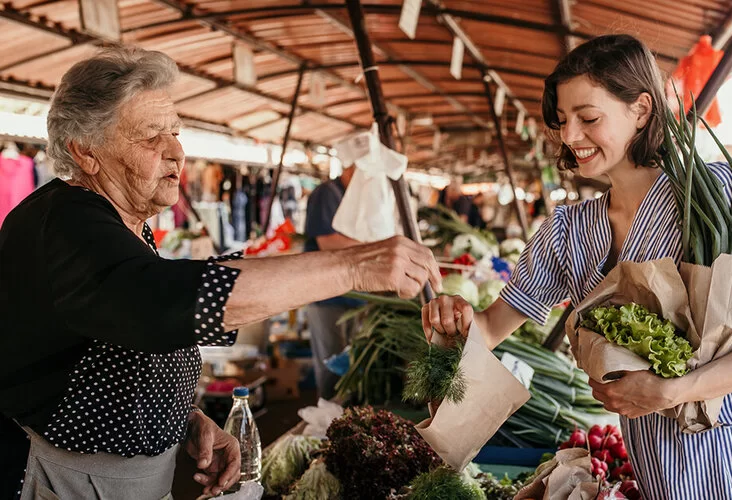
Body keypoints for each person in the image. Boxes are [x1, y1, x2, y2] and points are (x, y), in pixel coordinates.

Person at [0, 48, 441, 500]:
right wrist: (353, 265)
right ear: (85, 152)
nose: (176, 151)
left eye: (175, 132)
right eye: (152, 137)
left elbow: (110, 342)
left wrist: (185, 421)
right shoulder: (68, 224)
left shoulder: (122, 223)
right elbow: (161, 305)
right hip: (64, 479)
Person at [422, 35, 732, 499]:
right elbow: (489, 329)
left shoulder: (709, 196)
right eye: (562, 121)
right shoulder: (570, 231)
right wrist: (453, 318)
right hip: (655, 470)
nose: (570, 137)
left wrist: (674, 391)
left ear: (641, 110)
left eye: (589, 118)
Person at [303, 164, 365, 399]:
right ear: (350, 168)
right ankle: (328, 418)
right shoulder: (327, 193)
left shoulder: (354, 197)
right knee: (331, 360)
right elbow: (327, 242)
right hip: (327, 295)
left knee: (348, 360)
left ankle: (345, 412)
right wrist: (376, 247)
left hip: (352, 295)